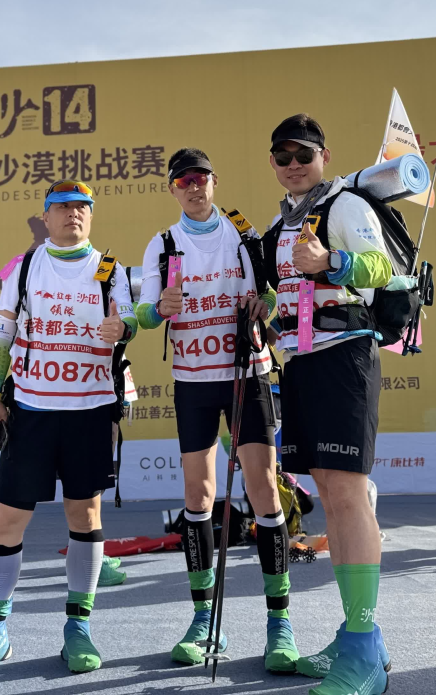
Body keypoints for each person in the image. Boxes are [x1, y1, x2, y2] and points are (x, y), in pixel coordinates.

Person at [0, 180, 137, 676]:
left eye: (82, 207)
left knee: (84, 516)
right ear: (45, 217)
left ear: (91, 215)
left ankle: (78, 627)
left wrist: (125, 327)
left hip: (90, 409)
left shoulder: (111, 269)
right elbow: (1, 338)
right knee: (7, 519)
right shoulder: (25, 266)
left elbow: (133, 322)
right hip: (31, 409)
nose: (73, 214)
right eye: (62, 207)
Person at [135, 147, 297, 671]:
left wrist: (265, 304)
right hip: (193, 382)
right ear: (173, 189)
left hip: (247, 375)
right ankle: (204, 618)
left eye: (200, 178)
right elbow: (144, 311)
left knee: (263, 489)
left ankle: (279, 623)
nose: (193, 187)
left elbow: (278, 296)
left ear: (214, 181)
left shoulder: (245, 236)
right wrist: (159, 309)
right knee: (197, 495)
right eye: (183, 181)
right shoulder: (163, 244)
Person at [259, 115, 393, 695]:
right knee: (331, 498)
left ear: (324, 156)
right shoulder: (279, 222)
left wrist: (331, 263)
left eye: (304, 155)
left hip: (345, 356)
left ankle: (363, 648)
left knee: (346, 493)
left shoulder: (345, 204)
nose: (294, 164)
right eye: (283, 156)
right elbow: (282, 291)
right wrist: (262, 309)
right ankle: (358, 637)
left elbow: (384, 269)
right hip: (301, 363)